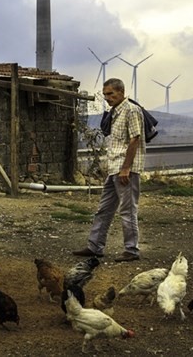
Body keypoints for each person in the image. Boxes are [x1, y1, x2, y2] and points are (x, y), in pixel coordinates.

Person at [72, 77, 146, 262]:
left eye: (111, 94)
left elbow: (134, 139)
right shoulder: (114, 112)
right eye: (105, 94)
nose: (107, 97)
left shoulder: (131, 110)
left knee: (127, 211)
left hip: (125, 170)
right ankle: (95, 246)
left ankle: (131, 250)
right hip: (114, 168)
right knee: (104, 209)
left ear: (121, 92)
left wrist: (126, 168)